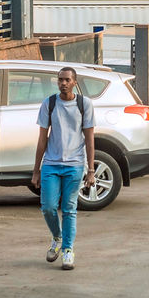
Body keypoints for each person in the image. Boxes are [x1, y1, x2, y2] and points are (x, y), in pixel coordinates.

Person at [32, 66, 96, 270]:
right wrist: (36, 170)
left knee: (69, 209)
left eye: (67, 80)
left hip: (75, 164)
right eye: (60, 79)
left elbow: (89, 137)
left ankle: (68, 250)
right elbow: (42, 139)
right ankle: (57, 237)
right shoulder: (49, 103)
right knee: (48, 207)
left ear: (75, 82)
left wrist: (91, 170)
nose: (63, 83)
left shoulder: (84, 104)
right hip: (51, 163)